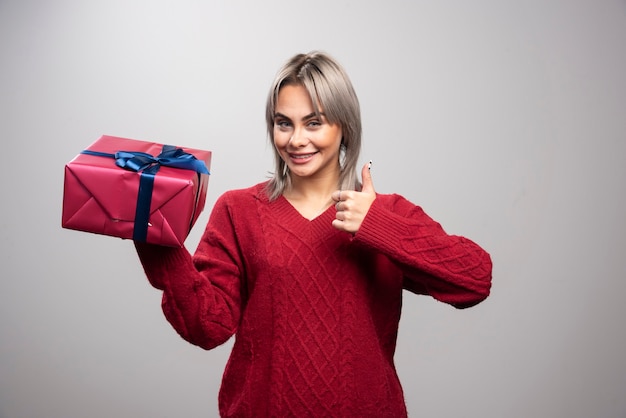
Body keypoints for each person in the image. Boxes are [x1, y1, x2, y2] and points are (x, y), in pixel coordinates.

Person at [134, 51, 492, 417]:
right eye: (283, 123)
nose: (296, 140)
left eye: (314, 123)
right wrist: (154, 233)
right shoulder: (238, 210)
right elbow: (207, 327)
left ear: (344, 127)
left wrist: (376, 225)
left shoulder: (386, 213)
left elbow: (475, 279)